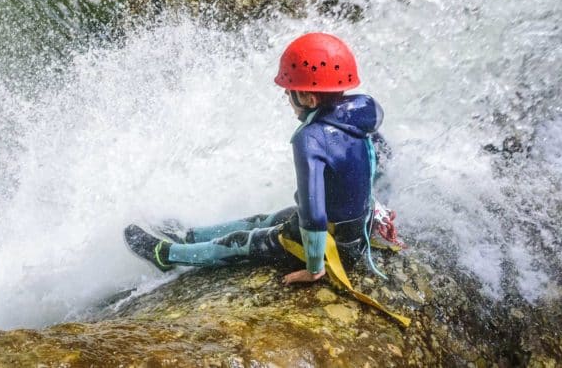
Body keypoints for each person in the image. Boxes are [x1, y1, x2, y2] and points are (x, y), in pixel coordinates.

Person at [124, 32, 397, 286]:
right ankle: (191, 236)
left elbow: (314, 216)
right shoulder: (364, 111)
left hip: (334, 244)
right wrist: (376, 210)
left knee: (243, 241)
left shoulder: (310, 139)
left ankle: (167, 255)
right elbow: (376, 161)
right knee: (268, 218)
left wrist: (314, 268)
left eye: (290, 91)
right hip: (356, 231)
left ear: (309, 98)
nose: (285, 94)